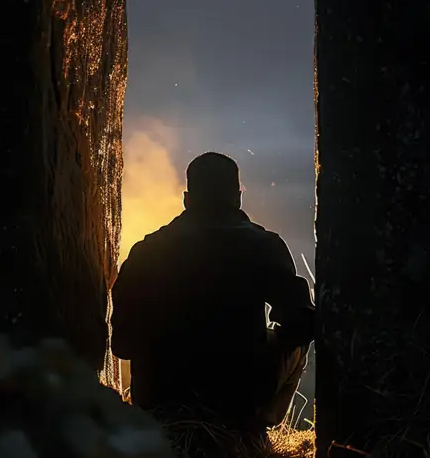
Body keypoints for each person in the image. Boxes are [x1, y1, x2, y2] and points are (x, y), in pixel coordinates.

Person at [111, 152, 314, 432]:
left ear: (187, 199)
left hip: (159, 404)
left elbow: (122, 345)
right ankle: (253, 431)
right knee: (296, 344)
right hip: (235, 402)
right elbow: (301, 324)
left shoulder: (146, 250)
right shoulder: (263, 245)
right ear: (238, 197)